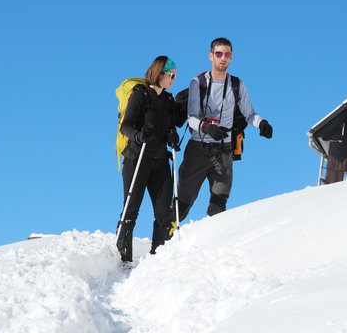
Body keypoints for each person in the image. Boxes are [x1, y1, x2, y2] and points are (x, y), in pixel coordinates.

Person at [156, 38, 273, 244]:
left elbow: (249, 113)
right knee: (182, 204)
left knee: (219, 204)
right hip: (198, 151)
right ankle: (161, 245)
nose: (223, 58)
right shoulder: (198, 83)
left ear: (232, 57)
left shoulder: (237, 85)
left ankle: (210, 251)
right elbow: (192, 117)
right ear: (211, 56)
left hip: (224, 152)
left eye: (227, 54)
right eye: (219, 54)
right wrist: (206, 127)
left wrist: (261, 124)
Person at [116, 56, 181, 262]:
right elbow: (125, 126)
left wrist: (172, 136)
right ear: (159, 73)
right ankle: (123, 260)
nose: (173, 79)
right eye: (171, 75)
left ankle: (158, 259)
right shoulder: (140, 95)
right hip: (137, 159)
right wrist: (137, 135)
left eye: (175, 76)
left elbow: (170, 126)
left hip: (160, 161)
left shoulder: (168, 101)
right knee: (131, 209)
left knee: (164, 214)